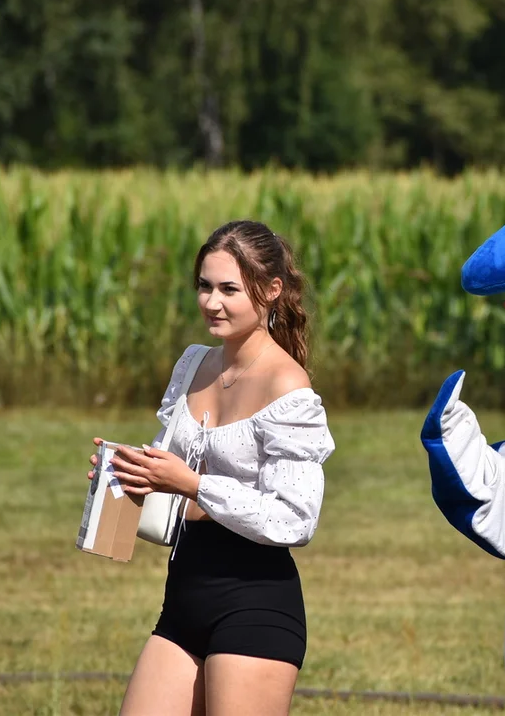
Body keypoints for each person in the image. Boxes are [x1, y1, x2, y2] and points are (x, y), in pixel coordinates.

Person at [85, 220, 334, 716]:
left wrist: (192, 485)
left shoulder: (289, 386)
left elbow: (295, 519)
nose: (211, 302)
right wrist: (132, 475)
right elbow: (170, 467)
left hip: (255, 605)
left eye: (228, 289)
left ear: (271, 290)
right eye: (204, 286)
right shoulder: (193, 363)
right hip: (183, 596)